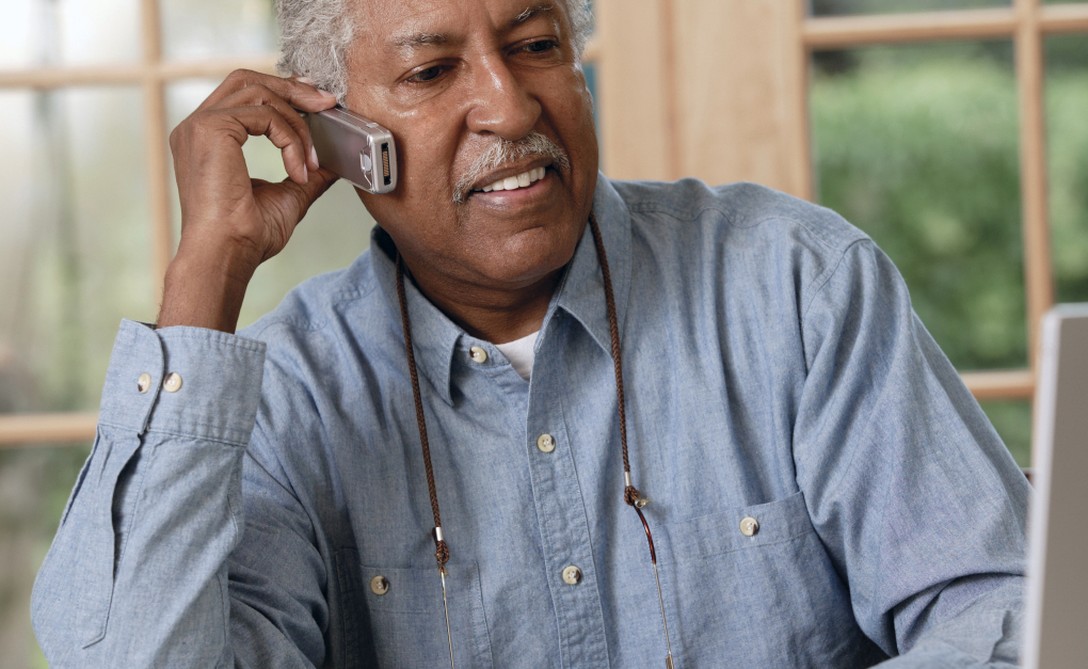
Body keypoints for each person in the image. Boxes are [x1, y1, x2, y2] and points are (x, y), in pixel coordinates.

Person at [31, 0, 1029, 666]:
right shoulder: (292, 396)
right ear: (339, 137)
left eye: (536, 45)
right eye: (431, 72)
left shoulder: (793, 283)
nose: (509, 105)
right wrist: (210, 263)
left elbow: (1001, 614)